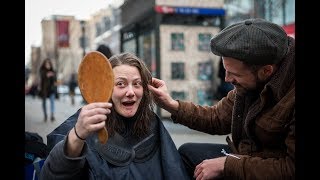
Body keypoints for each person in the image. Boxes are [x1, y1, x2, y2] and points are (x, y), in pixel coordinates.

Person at [148, 18, 295, 179]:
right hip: (246, 155)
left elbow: (290, 169)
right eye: (226, 70)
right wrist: (171, 105)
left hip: (271, 168)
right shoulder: (249, 84)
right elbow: (217, 118)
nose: (226, 79)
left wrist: (227, 165)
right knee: (188, 153)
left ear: (266, 71)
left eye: (234, 74)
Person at [40, 52, 189, 179]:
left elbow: (174, 170)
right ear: (106, 88)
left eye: (137, 84)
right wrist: (77, 137)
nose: (130, 92)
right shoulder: (83, 122)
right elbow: (50, 175)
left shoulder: (152, 123)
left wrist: (173, 105)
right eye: (120, 84)